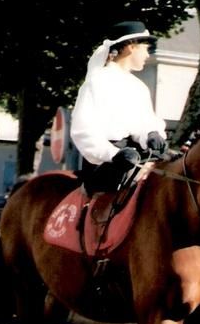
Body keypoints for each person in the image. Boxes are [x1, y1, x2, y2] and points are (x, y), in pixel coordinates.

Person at [71, 20, 167, 195]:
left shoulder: (139, 86)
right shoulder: (97, 81)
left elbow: (143, 122)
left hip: (137, 157)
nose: (147, 55)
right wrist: (114, 154)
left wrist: (151, 134)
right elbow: (82, 130)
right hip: (105, 165)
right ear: (131, 46)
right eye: (145, 48)